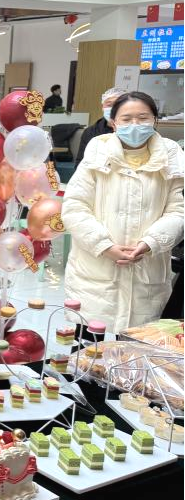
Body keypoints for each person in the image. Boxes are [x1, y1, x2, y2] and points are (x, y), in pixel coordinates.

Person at [62, 91, 184, 332]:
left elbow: (178, 211)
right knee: (88, 345)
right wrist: (104, 246)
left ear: (155, 120)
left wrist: (150, 242)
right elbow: (75, 207)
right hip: (95, 271)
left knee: (136, 346)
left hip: (147, 272)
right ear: (113, 122)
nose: (135, 125)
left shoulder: (171, 156)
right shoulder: (97, 151)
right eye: (127, 119)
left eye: (143, 118)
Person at [75, 87, 125, 165]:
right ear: (102, 107)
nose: (114, 109)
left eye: (119, 105)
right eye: (109, 105)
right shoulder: (91, 132)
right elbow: (80, 162)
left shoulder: (131, 131)